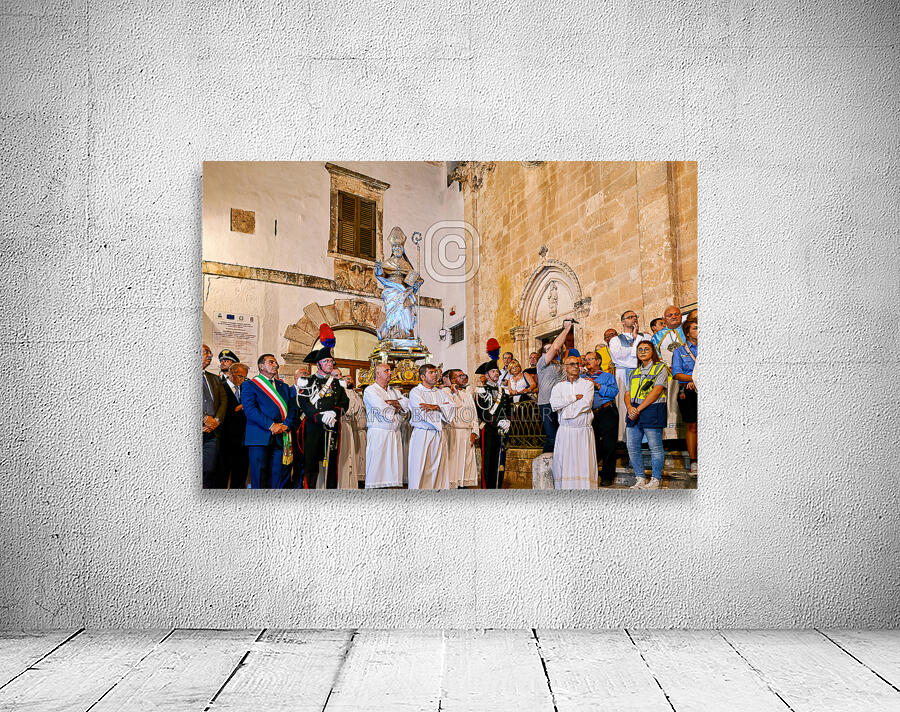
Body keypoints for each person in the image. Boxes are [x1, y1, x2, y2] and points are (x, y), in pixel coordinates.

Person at [296, 325, 350, 489]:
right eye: (326, 361)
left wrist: (334, 413)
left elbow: (344, 402)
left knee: (331, 464)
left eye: (331, 361)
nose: (329, 364)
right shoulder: (308, 381)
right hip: (313, 427)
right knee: (310, 463)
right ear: (318, 364)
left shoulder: (337, 384)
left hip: (332, 426)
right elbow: (304, 403)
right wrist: (320, 417)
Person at [242, 354, 298, 489]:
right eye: (271, 362)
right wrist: (271, 425)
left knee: (277, 476)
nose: (276, 365)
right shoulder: (250, 385)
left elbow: (292, 408)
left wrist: (286, 424)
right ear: (261, 366)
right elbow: (250, 410)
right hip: (260, 436)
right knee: (259, 476)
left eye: (276, 363)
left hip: (281, 436)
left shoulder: (283, 386)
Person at [625, 341, 669, 490]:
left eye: (646, 349)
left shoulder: (660, 368)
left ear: (653, 351)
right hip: (634, 409)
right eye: (640, 350)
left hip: (652, 408)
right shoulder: (633, 372)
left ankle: (656, 480)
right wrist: (630, 407)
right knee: (632, 446)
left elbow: (656, 391)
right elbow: (627, 393)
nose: (642, 352)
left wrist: (639, 409)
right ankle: (640, 478)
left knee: (655, 447)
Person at [549, 355, 597, 489]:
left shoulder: (587, 384)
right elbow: (554, 405)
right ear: (565, 367)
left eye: (578, 364)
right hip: (565, 430)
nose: (576, 366)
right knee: (565, 463)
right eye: (572, 364)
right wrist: (573, 398)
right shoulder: (558, 387)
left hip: (582, 430)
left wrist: (567, 411)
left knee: (583, 463)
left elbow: (586, 403)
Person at [408, 364, 455, 489]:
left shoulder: (440, 392)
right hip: (423, 433)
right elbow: (421, 411)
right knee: (421, 467)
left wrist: (436, 407)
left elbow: (451, 408)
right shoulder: (415, 392)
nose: (435, 375)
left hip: (439, 434)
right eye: (431, 372)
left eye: (436, 372)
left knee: (439, 466)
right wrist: (441, 408)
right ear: (423, 376)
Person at [363, 363, 409, 489]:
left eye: (390, 370)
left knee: (394, 468)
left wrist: (392, 403)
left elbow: (406, 405)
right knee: (377, 467)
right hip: (379, 432)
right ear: (378, 374)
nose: (390, 373)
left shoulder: (394, 391)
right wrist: (397, 405)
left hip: (394, 433)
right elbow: (381, 408)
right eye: (386, 370)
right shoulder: (370, 390)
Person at [609, 311, 652, 440]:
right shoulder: (615, 339)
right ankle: (627, 437)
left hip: (644, 373)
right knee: (624, 405)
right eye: (630, 317)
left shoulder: (645, 336)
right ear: (623, 322)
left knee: (645, 401)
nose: (633, 319)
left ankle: (646, 437)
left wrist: (635, 340)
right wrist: (635, 351)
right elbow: (618, 357)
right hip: (623, 375)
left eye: (635, 317)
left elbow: (648, 353)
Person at [536, 319, 574, 452]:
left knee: (562, 436)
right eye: (547, 350)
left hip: (561, 404)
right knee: (552, 437)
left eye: (550, 349)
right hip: (546, 404)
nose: (550, 351)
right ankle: (545, 466)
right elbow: (556, 347)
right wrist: (566, 329)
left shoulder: (561, 366)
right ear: (542, 354)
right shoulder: (542, 363)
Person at [582, 350, 619, 487]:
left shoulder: (607, 376)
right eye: (586, 359)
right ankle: (592, 475)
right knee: (593, 445)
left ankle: (607, 476)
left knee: (609, 445)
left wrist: (597, 385)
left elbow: (613, 392)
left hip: (607, 411)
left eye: (590, 359)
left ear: (598, 361)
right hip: (591, 414)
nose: (587, 362)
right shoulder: (582, 377)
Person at [474, 359, 512, 488]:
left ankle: (498, 487)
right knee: (488, 461)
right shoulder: (481, 391)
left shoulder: (504, 392)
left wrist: (508, 421)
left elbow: (508, 409)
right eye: (493, 371)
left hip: (503, 429)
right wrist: (497, 423)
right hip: (488, 429)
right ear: (486, 375)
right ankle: (487, 489)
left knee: (500, 461)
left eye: (497, 371)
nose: (496, 373)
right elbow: (483, 413)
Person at [441, 369, 480, 488]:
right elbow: (451, 409)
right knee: (453, 460)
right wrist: (454, 393)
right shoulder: (444, 392)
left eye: (463, 375)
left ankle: (463, 484)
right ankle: (452, 485)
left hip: (467, 431)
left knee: (466, 461)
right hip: (453, 431)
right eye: (458, 376)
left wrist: (474, 431)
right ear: (451, 380)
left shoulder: (466, 393)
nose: (462, 378)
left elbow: (473, 413)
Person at [652, 305, 686, 438]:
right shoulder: (658, 336)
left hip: (685, 372)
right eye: (670, 315)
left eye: (676, 314)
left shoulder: (687, 331)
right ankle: (670, 436)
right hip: (666, 373)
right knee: (668, 404)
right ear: (664, 318)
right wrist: (667, 367)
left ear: (681, 316)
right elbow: (655, 355)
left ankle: (684, 435)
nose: (673, 317)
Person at [672, 319, 699, 473]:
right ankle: (693, 461)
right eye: (695, 328)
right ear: (688, 333)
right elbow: (677, 373)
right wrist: (693, 379)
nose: (699, 330)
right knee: (692, 426)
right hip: (689, 392)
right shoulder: (680, 351)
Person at [218, 362, 249, 488]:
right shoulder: (220, 387)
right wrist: (243, 406)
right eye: (240, 376)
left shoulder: (246, 389)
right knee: (222, 475)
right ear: (230, 373)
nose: (242, 380)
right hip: (226, 439)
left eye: (244, 377)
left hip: (243, 439)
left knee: (240, 475)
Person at [333, 368, 364, 489]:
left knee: (347, 457)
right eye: (336, 375)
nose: (339, 377)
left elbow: (352, 409)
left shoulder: (348, 392)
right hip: (335, 425)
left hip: (346, 425)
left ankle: (347, 484)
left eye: (340, 375)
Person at [201, 344, 227, 488]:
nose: (210, 356)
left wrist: (216, 421)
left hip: (212, 433)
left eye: (210, 353)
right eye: (206, 352)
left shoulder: (214, 379)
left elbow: (223, 401)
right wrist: (204, 418)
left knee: (209, 471)